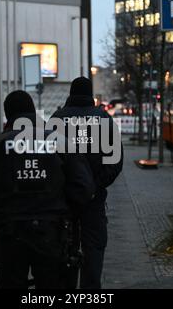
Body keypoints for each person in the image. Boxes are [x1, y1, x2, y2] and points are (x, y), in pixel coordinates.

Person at [0, 90, 95, 289]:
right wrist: (65, 212)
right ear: (33, 112)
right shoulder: (59, 141)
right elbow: (83, 187)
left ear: (8, 115)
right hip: (53, 231)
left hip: (10, 234)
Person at [51, 77, 123, 289]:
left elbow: (49, 161)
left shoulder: (57, 119)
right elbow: (115, 161)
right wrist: (94, 187)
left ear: (70, 94)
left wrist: (67, 188)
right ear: (90, 95)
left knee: (65, 247)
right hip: (94, 200)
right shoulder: (103, 118)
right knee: (94, 248)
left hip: (65, 201)